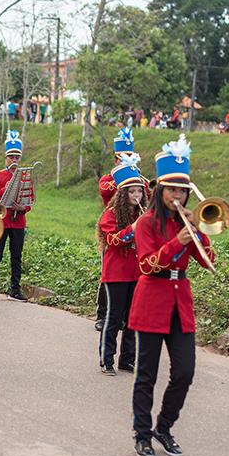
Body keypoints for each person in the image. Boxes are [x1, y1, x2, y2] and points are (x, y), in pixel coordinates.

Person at [129, 135, 215, 456]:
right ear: (159, 191)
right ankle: (141, 433)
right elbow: (147, 265)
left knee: (185, 372)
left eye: (183, 191)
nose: (178, 196)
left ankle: (163, 427)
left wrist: (199, 231)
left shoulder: (187, 223)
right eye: (172, 190)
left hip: (181, 303)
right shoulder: (145, 223)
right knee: (146, 374)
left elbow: (208, 262)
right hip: (152, 299)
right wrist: (178, 241)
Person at [96, 153, 144, 376]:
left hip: (137, 273)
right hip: (116, 273)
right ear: (123, 194)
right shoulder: (111, 213)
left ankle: (127, 359)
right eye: (132, 191)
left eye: (139, 190)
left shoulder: (144, 214)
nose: (137, 195)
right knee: (113, 317)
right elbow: (112, 240)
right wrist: (134, 229)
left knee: (133, 318)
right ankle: (107, 359)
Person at [95, 128, 137, 331]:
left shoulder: (138, 178)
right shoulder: (107, 179)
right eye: (123, 157)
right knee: (108, 275)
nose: (127, 159)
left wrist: (135, 177)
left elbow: (146, 196)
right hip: (112, 226)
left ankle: (122, 317)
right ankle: (102, 315)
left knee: (129, 278)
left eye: (130, 156)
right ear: (115, 160)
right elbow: (107, 190)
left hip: (134, 229)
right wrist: (123, 173)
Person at [0, 130, 31, 302]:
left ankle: (15, 289)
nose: (14, 160)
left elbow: (30, 198)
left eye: (17, 157)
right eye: (11, 157)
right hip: (1, 221)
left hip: (18, 221)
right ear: (6, 158)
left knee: (16, 257)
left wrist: (24, 207)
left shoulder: (25, 176)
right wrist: (8, 187)